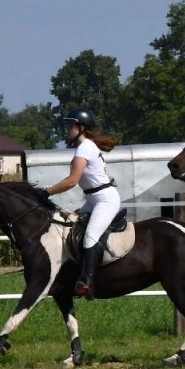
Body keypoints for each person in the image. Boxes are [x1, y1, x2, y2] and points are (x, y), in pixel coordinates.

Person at [42, 109, 121, 299]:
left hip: (104, 200)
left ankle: (87, 281)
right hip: (93, 200)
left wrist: (46, 192)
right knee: (73, 228)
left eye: (71, 126)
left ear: (81, 127)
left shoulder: (85, 147)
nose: (68, 129)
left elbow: (72, 181)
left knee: (89, 238)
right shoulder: (86, 146)